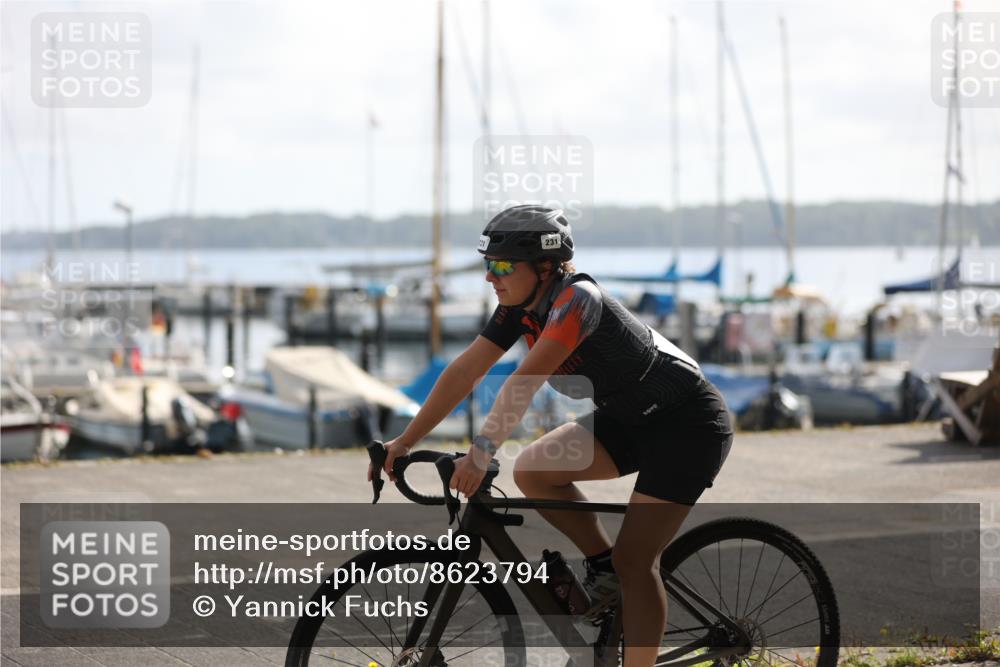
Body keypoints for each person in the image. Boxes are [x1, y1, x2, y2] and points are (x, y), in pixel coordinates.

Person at [370, 204, 733, 667]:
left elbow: (525, 379)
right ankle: (605, 572)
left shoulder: (578, 300)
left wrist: (481, 452)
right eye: (487, 265)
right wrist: (405, 441)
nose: (490, 277)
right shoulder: (519, 308)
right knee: (535, 471)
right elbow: (465, 373)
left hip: (688, 426)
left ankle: (623, 593)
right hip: (631, 418)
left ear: (545, 268)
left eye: (502, 266)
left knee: (636, 562)